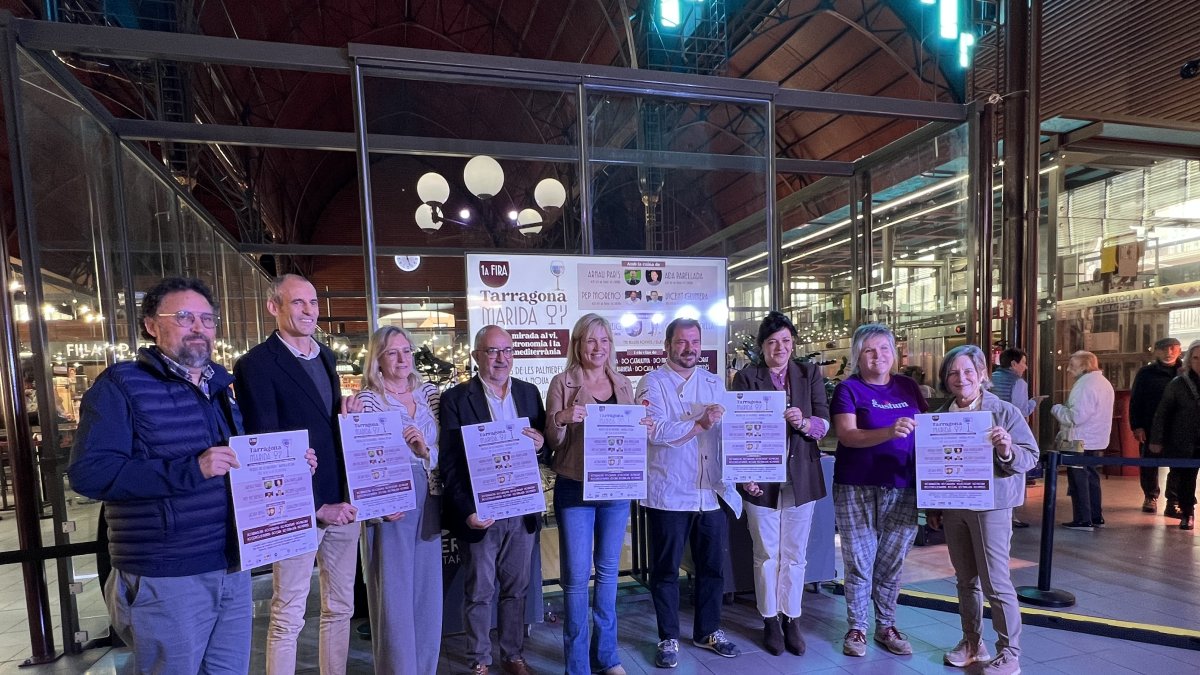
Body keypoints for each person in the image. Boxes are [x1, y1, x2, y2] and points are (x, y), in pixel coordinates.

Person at [68, 278, 253, 672]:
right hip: (166, 574)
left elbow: (236, 464)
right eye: (184, 316)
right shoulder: (121, 385)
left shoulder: (221, 388)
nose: (199, 327)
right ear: (152, 325)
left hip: (232, 567)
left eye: (208, 318)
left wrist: (286, 469)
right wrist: (190, 469)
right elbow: (90, 473)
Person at [234, 274, 359, 675]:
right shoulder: (255, 365)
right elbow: (264, 447)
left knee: (340, 607)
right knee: (288, 614)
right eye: (298, 303)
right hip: (297, 508)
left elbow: (324, 426)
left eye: (313, 302)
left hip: (341, 501)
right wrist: (316, 506)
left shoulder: (325, 355)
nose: (309, 311)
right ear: (275, 307)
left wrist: (347, 421)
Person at [544, 314, 651, 675]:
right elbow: (552, 443)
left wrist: (643, 427)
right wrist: (561, 418)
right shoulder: (563, 382)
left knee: (608, 574)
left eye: (604, 341)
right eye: (591, 341)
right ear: (577, 345)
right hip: (575, 487)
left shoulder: (623, 383)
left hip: (616, 487)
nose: (598, 348)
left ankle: (607, 657)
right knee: (575, 577)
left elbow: (630, 438)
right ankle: (577, 665)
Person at [635, 318, 743, 668]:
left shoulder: (714, 383)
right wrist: (698, 424)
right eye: (681, 342)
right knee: (665, 569)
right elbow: (655, 432)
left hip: (710, 492)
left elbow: (732, 434)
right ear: (667, 346)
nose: (689, 348)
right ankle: (668, 636)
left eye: (694, 342)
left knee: (712, 567)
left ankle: (707, 630)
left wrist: (746, 473)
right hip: (668, 491)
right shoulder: (651, 383)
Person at [439, 325, 547, 675]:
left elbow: (544, 447)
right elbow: (450, 464)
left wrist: (541, 444)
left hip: (522, 510)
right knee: (480, 591)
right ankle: (479, 660)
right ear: (476, 356)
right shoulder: (456, 398)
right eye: (492, 351)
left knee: (517, 589)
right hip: (482, 512)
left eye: (507, 351)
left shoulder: (530, 394)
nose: (501, 358)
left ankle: (512, 654)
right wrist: (467, 511)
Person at [925, 345, 1038, 675]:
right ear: (946, 380)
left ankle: (1010, 653)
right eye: (954, 373)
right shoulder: (940, 416)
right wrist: (931, 505)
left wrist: (1006, 448)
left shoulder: (1003, 412)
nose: (962, 378)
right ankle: (972, 642)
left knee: (996, 582)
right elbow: (930, 463)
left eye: (968, 371)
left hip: (991, 507)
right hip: (953, 506)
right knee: (965, 580)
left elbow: (1030, 456)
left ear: (982, 376)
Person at [731, 311, 828, 657]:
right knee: (767, 554)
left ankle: (792, 618)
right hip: (761, 481)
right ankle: (769, 619)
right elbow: (738, 431)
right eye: (772, 342)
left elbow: (824, 424)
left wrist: (805, 423)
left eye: (786, 341)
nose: (780, 348)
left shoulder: (809, 373)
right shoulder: (746, 378)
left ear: (794, 343)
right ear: (762, 347)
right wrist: (745, 475)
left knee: (795, 554)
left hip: (801, 477)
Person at [347, 326, 443, 674]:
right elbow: (365, 455)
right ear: (378, 359)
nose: (403, 359)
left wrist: (425, 451)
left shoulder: (431, 394)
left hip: (431, 494)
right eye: (392, 352)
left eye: (407, 350)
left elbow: (449, 448)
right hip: (392, 503)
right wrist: (381, 501)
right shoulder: (369, 400)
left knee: (428, 593)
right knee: (394, 594)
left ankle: (427, 667)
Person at [829, 323, 926, 658]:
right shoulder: (848, 389)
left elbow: (928, 432)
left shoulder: (909, 387)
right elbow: (847, 435)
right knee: (859, 561)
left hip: (904, 486)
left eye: (884, 348)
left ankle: (886, 626)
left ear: (894, 353)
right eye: (869, 349)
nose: (878, 356)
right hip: (856, 486)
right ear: (858, 355)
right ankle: (856, 628)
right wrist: (888, 432)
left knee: (891, 561)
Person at [1052, 350, 1115, 531]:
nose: (1068, 370)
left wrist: (1057, 409)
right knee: (1092, 478)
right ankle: (1095, 516)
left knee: (1079, 480)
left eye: (1072, 366)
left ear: (1084, 366)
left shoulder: (1084, 385)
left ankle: (1083, 519)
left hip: (1078, 440)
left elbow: (1075, 417)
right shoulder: (1103, 383)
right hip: (1096, 439)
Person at [989, 347, 1046, 529]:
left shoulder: (991, 379)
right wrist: (1034, 402)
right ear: (1013, 364)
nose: (1026, 367)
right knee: (1012, 475)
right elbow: (1019, 411)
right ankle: (1011, 516)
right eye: (1023, 362)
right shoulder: (1018, 383)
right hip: (1008, 434)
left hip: (989, 432)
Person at [1149, 340, 1200, 530]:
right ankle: (1188, 514)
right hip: (1184, 439)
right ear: (1188, 360)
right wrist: (1157, 439)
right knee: (1186, 478)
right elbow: (1163, 412)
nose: (1199, 362)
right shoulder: (1178, 384)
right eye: (1195, 358)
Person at [1130, 338, 1182, 515]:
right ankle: (1150, 496)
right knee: (1149, 464)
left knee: (1178, 466)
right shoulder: (1146, 373)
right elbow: (1136, 401)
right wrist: (1137, 426)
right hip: (1150, 427)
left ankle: (1173, 500)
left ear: (1179, 350)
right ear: (1156, 351)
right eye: (1165, 349)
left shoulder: (1185, 372)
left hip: (1179, 428)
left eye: (1173, 348)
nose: (1169, 352)